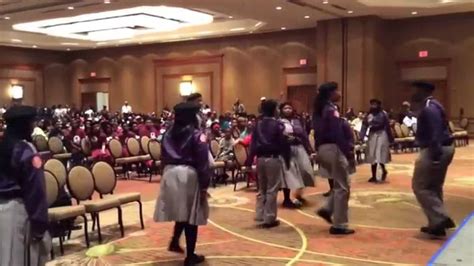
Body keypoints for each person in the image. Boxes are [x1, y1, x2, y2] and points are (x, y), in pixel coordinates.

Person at [154, 102, 210, 265]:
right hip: (188, 174)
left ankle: (174, 241)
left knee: (182, 211)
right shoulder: (197, 134)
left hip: (170, 173)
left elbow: (163, 157)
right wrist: (204, 185)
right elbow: (202, 162)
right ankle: (190, 255)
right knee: (192, 215)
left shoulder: (168, 133)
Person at [0, 105, 51, 265]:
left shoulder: (2, 147)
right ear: (25, 125)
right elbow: (36, 189)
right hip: (17, 212)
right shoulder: (26, 150)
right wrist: (40, 223)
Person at [410, 81, 456, 237]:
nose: (412, 92)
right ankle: (436, 225)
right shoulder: (434, 105)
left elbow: (435, 132)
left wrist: (435, 155)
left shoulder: (429, 108)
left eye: (415, 89)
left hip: (435, 149)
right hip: (443, 147)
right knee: (434, 187)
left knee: (420, 186)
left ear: (423, 90)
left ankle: (441, 217)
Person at [312, 82, 355, 235]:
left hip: (323, 149)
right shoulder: (331, 109)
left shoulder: (319, 109)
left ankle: (327, 208)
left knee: (340, 184)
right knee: (343, 187)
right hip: (333, 148)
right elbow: (336, 132)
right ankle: (340, 224)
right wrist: (346, 150)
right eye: (337, 90)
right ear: (331, 93)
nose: (340, 92)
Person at [247, 99, 290, 228]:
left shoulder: (258, 124)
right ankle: (269, 218)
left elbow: (253, 145)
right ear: (273, 110)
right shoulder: (278, 125)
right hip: (273, 159)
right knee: (272, 189)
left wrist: (249, 161)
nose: (278, 110)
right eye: (277, 108)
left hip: (260, 159)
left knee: (262, 188)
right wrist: (287, 159)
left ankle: (260, 215)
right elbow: (283, 144)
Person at [279, 102, 314, 208]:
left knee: (305, 171)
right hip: (286, 150)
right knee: (288, 174)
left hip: (299, 147)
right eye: (285, 108)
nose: (288, 110)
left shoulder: (297, 120)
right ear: (281, 110)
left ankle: (298, 194)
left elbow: (304, 135)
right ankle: (286, 198)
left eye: (289, 107)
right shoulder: (279, 121)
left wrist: (309, 149)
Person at [360, 99, 394, 183]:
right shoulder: (368, 115)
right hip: (372, 135)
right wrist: (361, 136)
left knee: (380, 155)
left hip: (382, 134)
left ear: (379, 105)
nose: (373, 106)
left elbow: (387, 126)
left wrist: (391, 138)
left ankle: (383, 170)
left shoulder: (383, 114)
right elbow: (364, 126)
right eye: (372, 104)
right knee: (372, 155)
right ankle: (374, 176)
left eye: (375, 104)